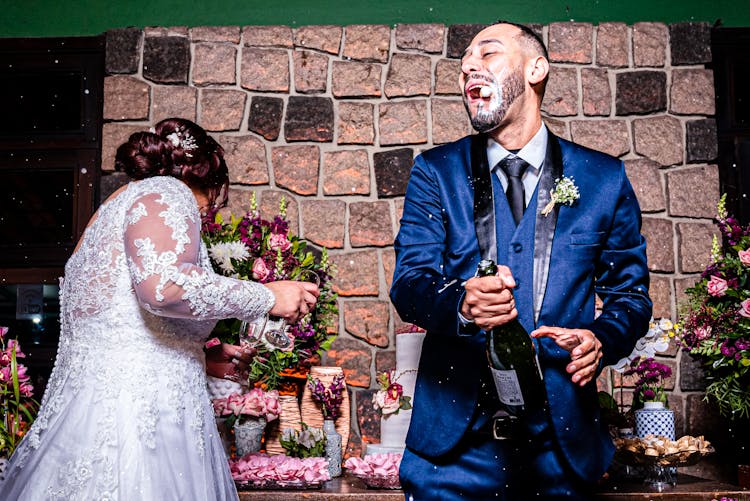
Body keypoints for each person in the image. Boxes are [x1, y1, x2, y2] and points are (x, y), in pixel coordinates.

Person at [390, 21, 652, 500]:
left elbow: (630, 297)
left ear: (536, 68)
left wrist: (602, 338)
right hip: (451, 458)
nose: (469, 64)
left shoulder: (603, 178)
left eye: (487, 52)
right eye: (465, 59)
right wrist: (462, 304)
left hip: (563, 452)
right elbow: (409, 284)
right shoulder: (435, 171)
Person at [0, 118, 319, 500]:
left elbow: (115, 321)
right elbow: (164, 288)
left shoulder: (113, 208)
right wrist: (267, 297)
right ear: (206, 178)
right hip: (139, 422)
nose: (207, 215)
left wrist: (194, 351)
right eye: (213, 201)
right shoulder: (168, 193)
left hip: (93, 414)